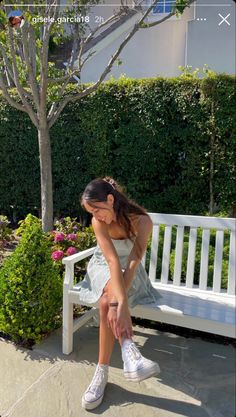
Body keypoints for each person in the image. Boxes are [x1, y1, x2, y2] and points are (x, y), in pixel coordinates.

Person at [79, 177, 161, 410]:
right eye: (90, 212)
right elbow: (112, 260)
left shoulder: (143, 221)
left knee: (108, 302)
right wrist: (121, 304)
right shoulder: (98, 222)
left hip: (131, 272)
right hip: (104, 266)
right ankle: (129, 350)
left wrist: (118, 303)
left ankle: (104, 369)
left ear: (111, 199)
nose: (95, 215)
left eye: (97, 209)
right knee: (111, 299)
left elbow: (134, 261)